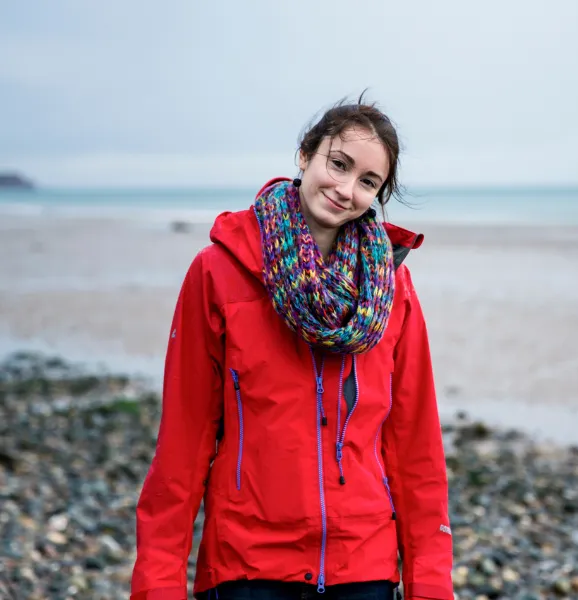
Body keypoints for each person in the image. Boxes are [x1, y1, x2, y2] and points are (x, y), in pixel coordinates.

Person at [130, 98, 454, 600]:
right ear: (306, 155)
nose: (346, 190)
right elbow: (183, 445)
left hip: (363, 569)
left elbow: (416, 452)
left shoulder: (392, 289)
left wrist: (430, 585)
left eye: (368, 182)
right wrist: (157, 585)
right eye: (338, 164)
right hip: (248, 567)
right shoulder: (218, 272)